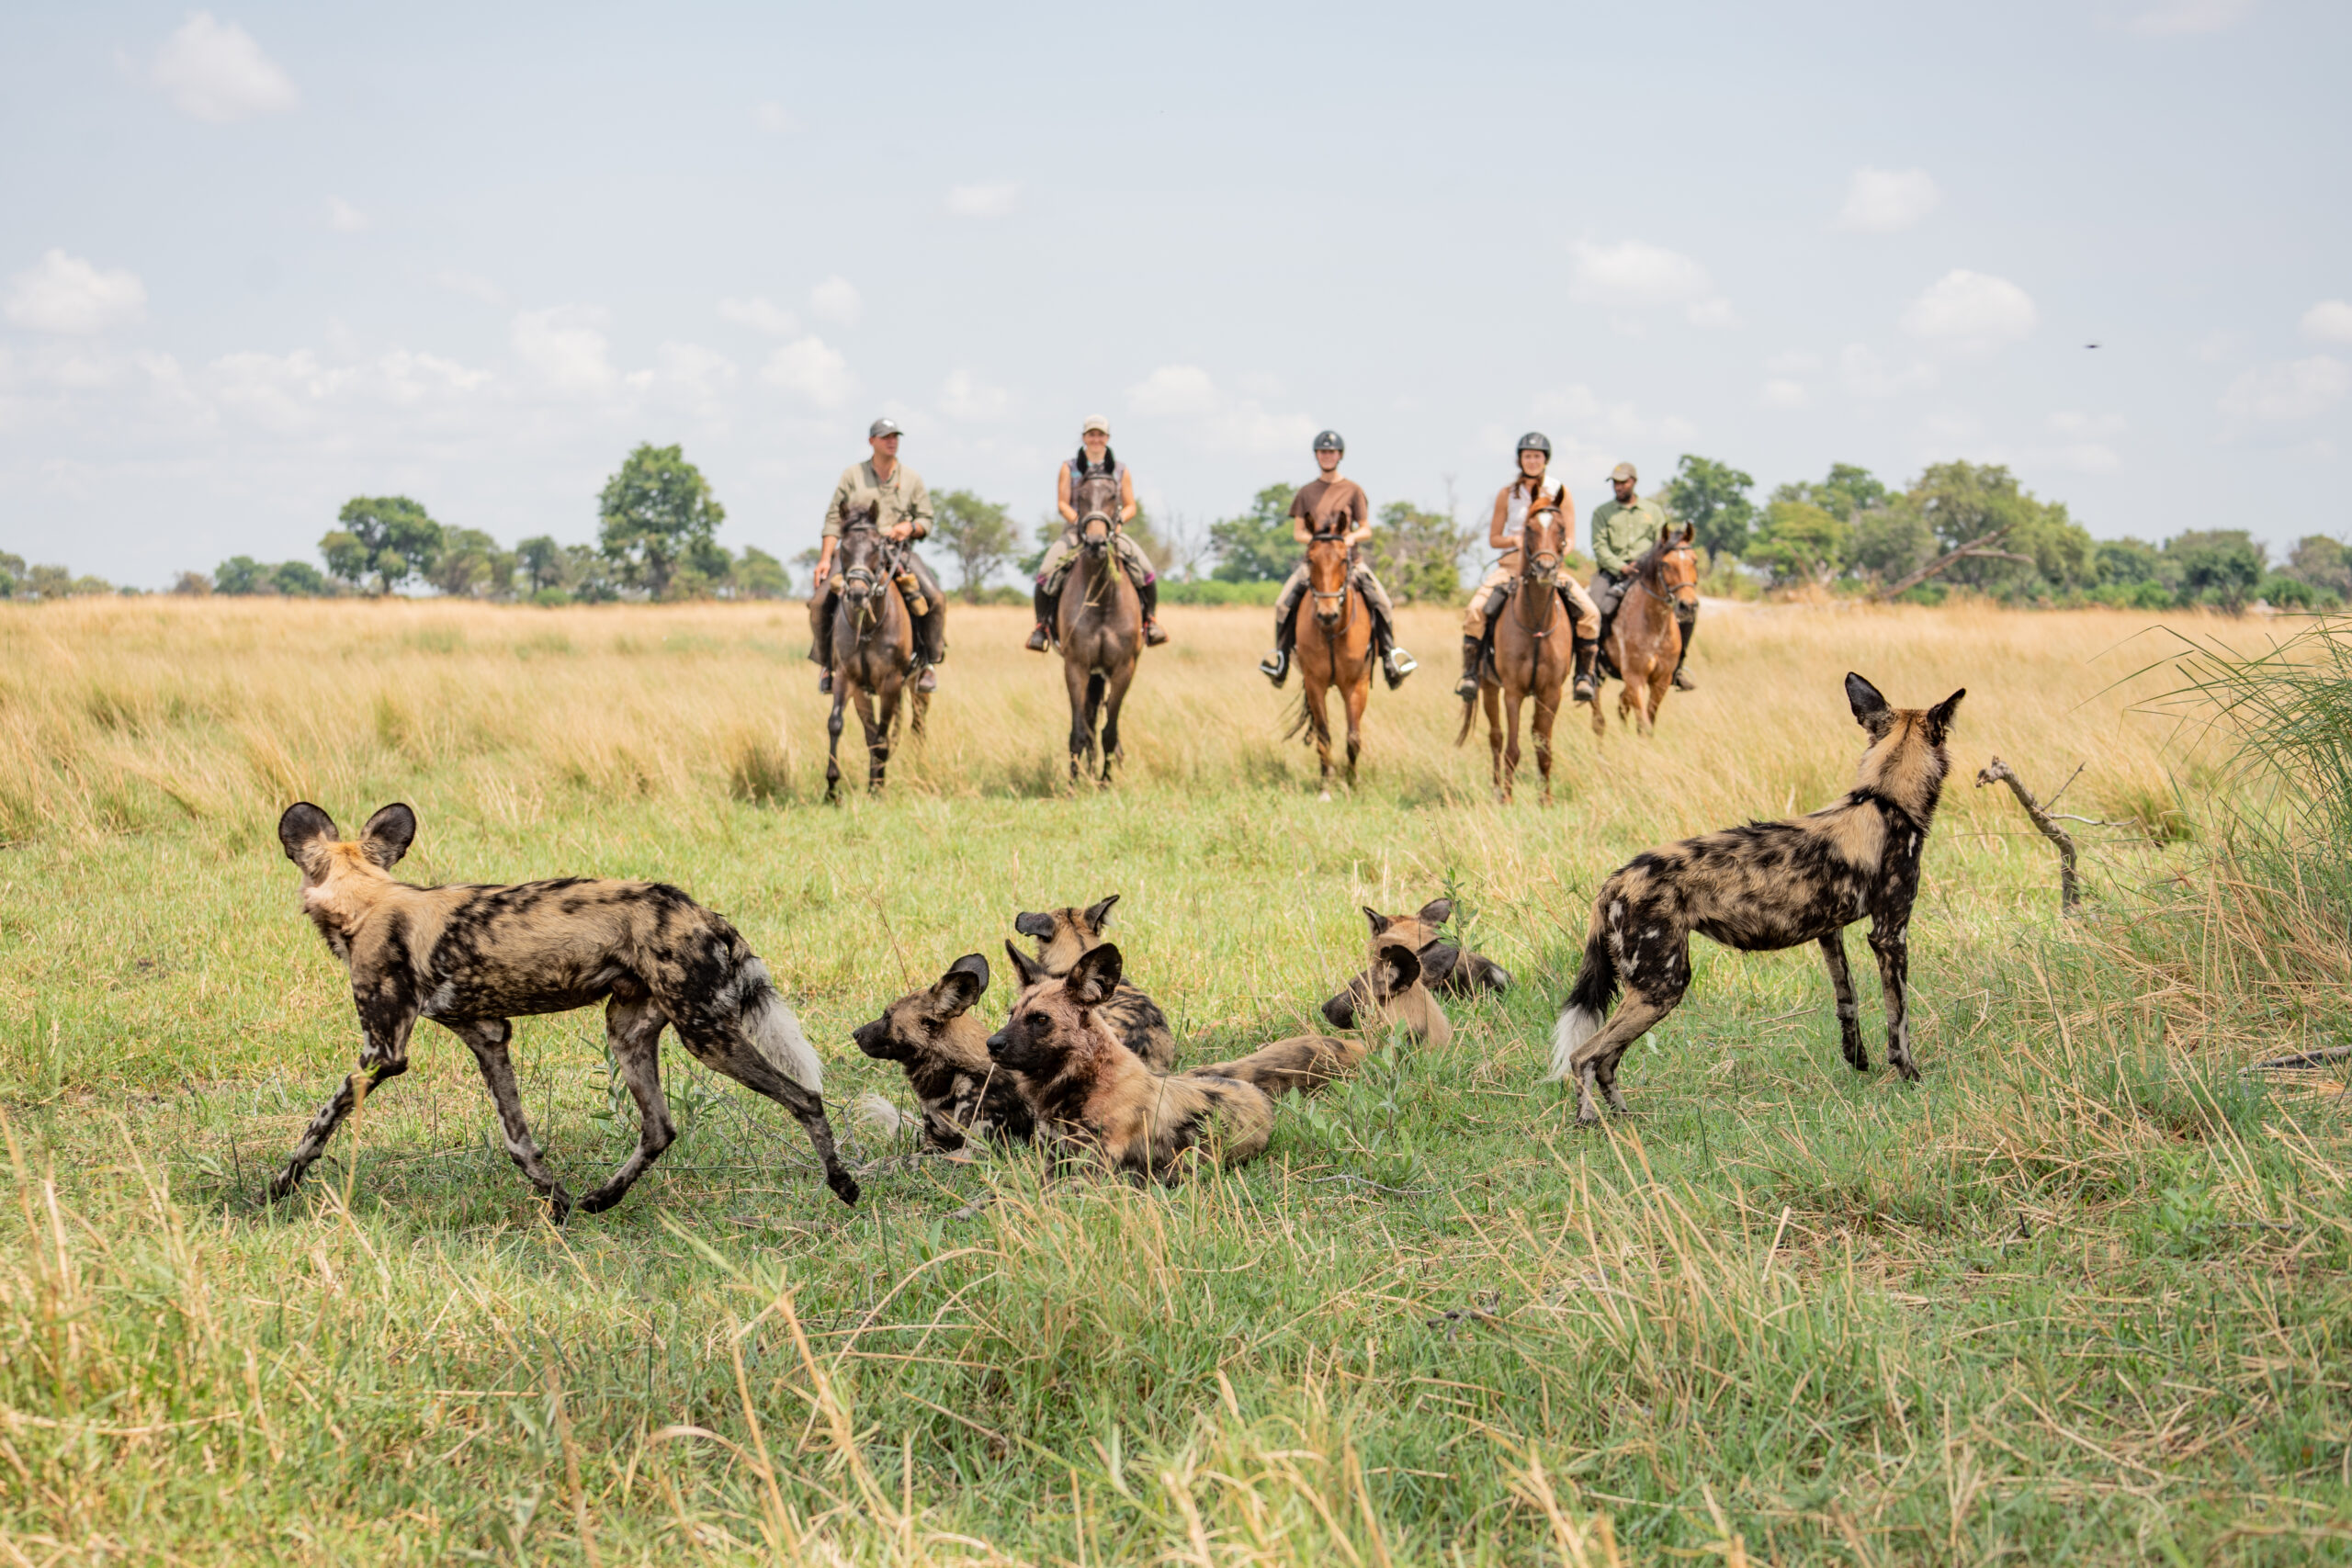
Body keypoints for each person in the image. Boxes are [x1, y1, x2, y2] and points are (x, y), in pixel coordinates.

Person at [1259, 430, 1416, 689]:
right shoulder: (1305, 493)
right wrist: (1316, 542)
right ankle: (1281, 660)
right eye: (1322, 452)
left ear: (1339, 455)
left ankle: (1390, 659)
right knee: (1281, 605)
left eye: (1331, 452)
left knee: (1384, 603)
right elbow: (1298, 532)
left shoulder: (1353, 490)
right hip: (1317, 563)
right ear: (1316, 456)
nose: (1327, 456)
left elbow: (1366, 528)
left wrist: (1350, 538)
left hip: (1350, 562)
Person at [1455, 432, 1601, 702]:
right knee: (1475, 610)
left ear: (1546, 460)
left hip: (1549, 566)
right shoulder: (1506, 494)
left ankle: (1583, 677)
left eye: (1537, 456)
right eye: (1527, 456)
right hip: (1511, 566)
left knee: (1591, 613)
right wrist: (1517, 540)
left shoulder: (1561, 492)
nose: (1532, 461)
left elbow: (1569, 540)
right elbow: (1493, 539)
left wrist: (1551, 555)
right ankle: (1471, 674)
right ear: (1519, 460)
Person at [808, 418, 948, 694]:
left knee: (935, 598)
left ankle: (928, 664)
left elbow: (926, 520)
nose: (892, 441)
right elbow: (834, 520)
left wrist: (909, 526)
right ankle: (827, 665)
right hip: (857, 551)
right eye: (885, 437)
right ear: (871, 441)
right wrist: (825, 559)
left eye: (895, 436)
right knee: (818, 602)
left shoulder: (911, 478)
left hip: (897, 552)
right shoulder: (852, 476)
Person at [1027, 415, 1169, 651]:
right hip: (1076, 531)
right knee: (1046, 572)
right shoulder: (1069, 467)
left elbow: (1131, 504)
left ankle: (1151, 621)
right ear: (1084, 438)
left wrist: (1119, 520)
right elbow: (1063, 503)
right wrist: (1082, 523)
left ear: (1107, 438)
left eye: (1100, 435)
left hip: (1111, 532)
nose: (1096, 439)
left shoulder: (1121, 469)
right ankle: (1041, 627)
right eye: (1091, 434)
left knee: (1146, 570)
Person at [1588, 460, 1697, 690]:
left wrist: (1644, 562)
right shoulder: (1602, 512)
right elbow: (1599, 547)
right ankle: (1592, 669)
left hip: (1646, 573)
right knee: (1596, 609)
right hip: (1612, 572)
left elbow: (1662, 543)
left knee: (1686, 610)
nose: (1618, 487)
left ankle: (1677, 667)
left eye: (1623, 482)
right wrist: (1621, 566)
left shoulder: (1653, 512)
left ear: (1633, 482)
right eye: (1615, 483)